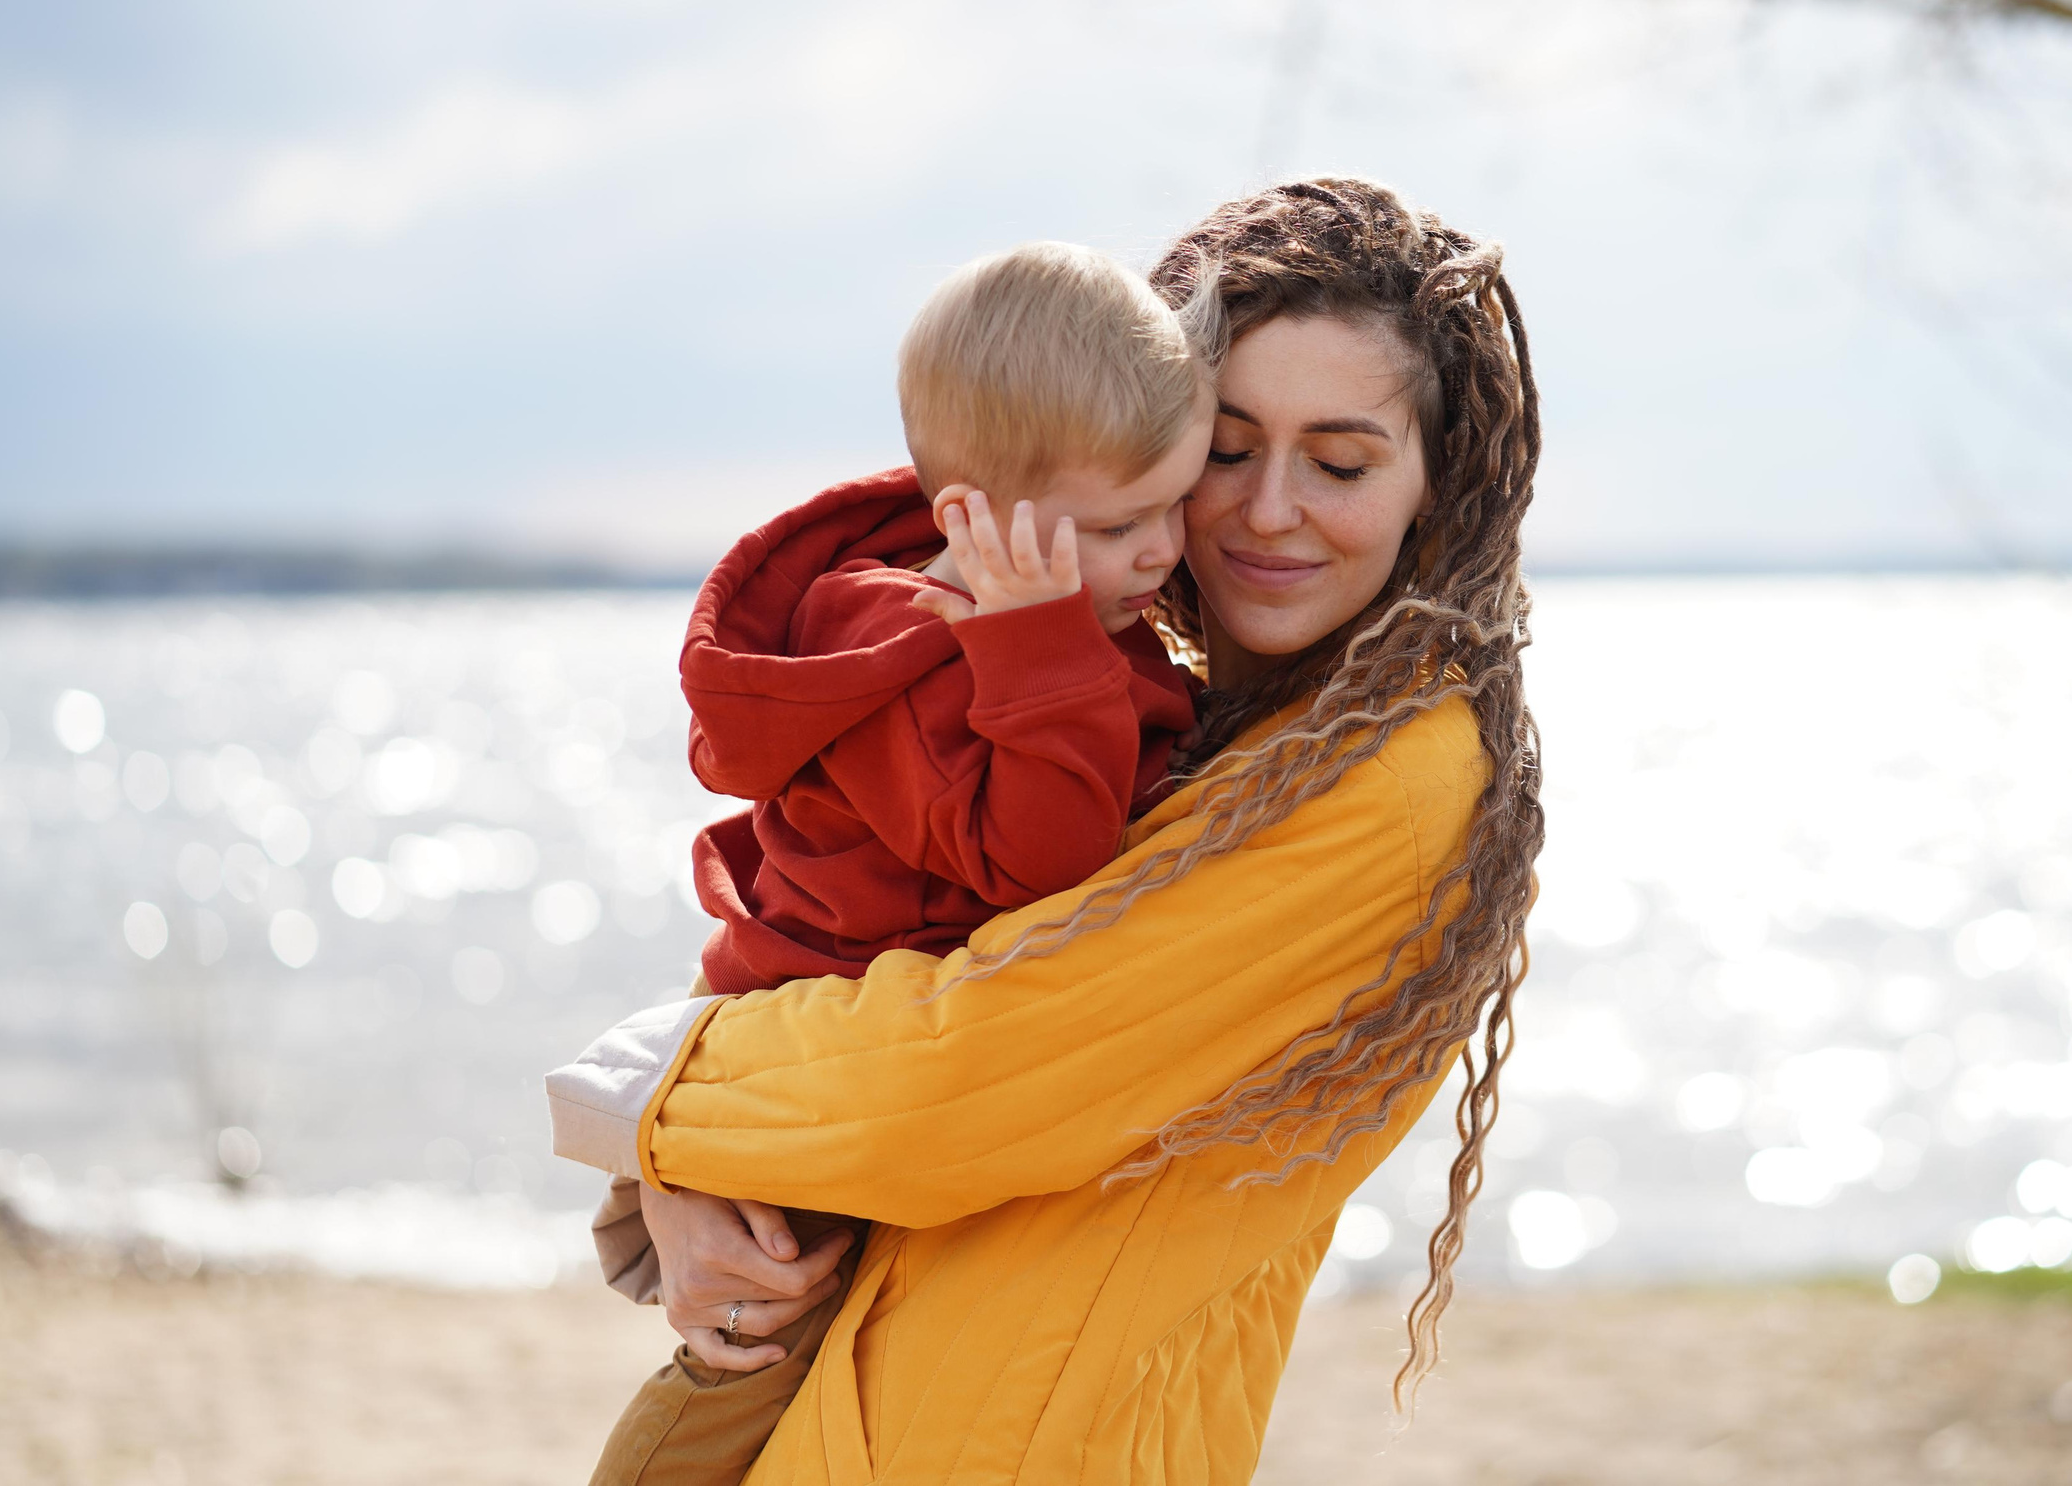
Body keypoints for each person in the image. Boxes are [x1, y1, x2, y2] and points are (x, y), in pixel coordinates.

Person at [549, 178, 1543, 1485]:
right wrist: (687, 1191)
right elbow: (855, 908)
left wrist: (652, 1097)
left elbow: (952, 1082)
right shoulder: (1171, 707)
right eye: (1226, 450)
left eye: (1343, 461)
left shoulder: (1394, 788)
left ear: (1439, 483)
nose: (1265, 507)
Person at [590, 242, 1219, 1483]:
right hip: (817, 1056)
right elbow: (1039, 859)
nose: (1164, 551)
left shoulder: (1065, 609)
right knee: (750, 1358)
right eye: (1118, 524)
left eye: (1176, 504)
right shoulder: (921, 661)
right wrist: (1041, 654)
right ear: (967, 524)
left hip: (882, 1051)